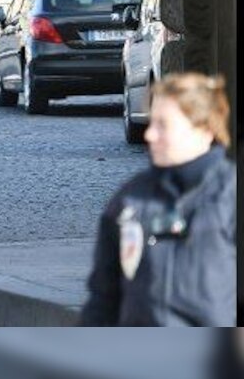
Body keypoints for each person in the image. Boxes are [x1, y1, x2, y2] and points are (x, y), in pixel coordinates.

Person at [80, 72, 236, 326]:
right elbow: (104, 298)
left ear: (204, 129)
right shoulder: (130, 200)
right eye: (152, 123)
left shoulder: (229, 195)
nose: (150, 135)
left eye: (164, 125)